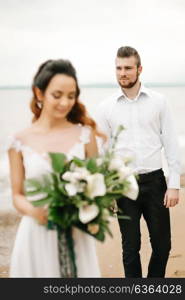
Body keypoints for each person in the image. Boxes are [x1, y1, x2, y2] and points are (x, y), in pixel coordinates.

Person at [7, 59, 104, 278]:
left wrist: (89, 205)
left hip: (76, 234)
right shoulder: (18, 140)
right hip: (36, 233)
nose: (65, 103)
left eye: (71, 96)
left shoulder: (85, 135)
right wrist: (36, 212)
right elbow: (17, 195)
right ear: (39, 94)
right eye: (57, 95)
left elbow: (98, 185)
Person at [96, 46, 180, 278]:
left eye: (128, 68)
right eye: (119, 68)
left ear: (139, 69)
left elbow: (171, 143)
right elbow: (103, 153)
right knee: (130, 248)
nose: (123, 73)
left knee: (163, 246)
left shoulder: (159, 102)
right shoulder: (106, 107)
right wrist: (106, 191)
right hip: (123, 185)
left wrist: (174, 184)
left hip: (155, 182)